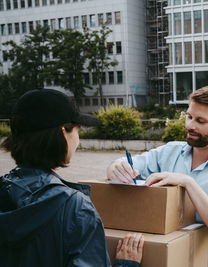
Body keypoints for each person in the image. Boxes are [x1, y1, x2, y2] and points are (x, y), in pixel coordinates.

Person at [107, 86, 208, 267]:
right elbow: (122, 165)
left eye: (200, 121)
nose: (190, 125)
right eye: (189, 117)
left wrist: (189, 183)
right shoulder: (169, 151)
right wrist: (116, 167)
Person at [0, 89, 144, 267]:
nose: (78, 139)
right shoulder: (75, 209)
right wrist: (127, 264)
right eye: (77, 130)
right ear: (63, 132)